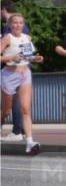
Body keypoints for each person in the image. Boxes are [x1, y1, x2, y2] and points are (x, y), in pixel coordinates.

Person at [1, 13, 43, 154]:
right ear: (10, 25)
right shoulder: (7, 38)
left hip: (25, 74)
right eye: (15, 23)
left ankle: (30, 142)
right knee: (6, 111)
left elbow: (27, 56)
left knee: (25, 109)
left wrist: (35, 58)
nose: (18, 25)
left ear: (23, 25)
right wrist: (10, 57)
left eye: (20, 23)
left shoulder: (27, 38)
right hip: (9, 75)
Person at [1, 0, 29, 141]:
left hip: (15, 69)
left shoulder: (12, 28)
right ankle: (20, 130)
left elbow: (24, 49)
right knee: (15, 101)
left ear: (3, 10)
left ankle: (18, 130)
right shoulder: (7, 28)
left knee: (15, 101)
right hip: (14, 67)